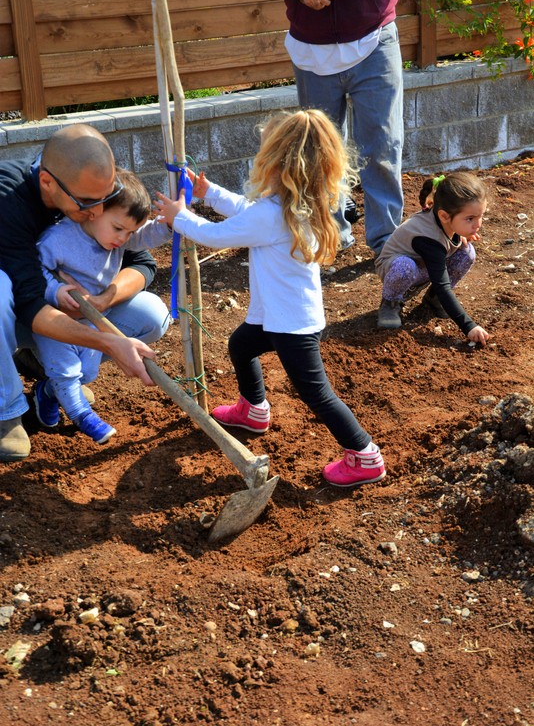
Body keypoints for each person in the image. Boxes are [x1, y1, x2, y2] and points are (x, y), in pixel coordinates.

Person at [155, 109, 386, 488]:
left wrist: (178, 217)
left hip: (291, 325)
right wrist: (209, 193)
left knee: (316, 393)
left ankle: (364, 456)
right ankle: (254, 411)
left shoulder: (273, 213)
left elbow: (218, 236)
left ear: (277, 161)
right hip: (278, 314)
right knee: (241, 345)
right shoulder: (298, 203)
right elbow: (249, 214)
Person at [241, 0, 427, 257]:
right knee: (318, 152)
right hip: (311, 47)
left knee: (383, 144)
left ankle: (386, 243)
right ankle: (331, 238)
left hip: (375, 37)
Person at [0, 124, 170, 461]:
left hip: (60, 310)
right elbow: (32, 302)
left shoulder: (90, 188)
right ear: (47, 182)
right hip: (18, 309)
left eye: (105, 200)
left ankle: (42, 368)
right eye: (88, 204)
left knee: (152, 314)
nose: (97, 212)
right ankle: (6, 409)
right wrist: (111, 342)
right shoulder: (9, 200)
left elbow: (143, 263)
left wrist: (105, 298)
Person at [32, 169, 172, 443]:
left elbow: (145, 236)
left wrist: (169, 225)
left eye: (128, 232)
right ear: (93, 211)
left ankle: (47, 392)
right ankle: (83, 416)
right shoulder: (58, 239)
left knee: (88, 372)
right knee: (67, 371)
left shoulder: (116, 236)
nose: (122, 239)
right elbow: (34, 271)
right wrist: (56, 290)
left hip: (95, 317)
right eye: (119, 229)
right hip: (55, 320)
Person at [375, 171, 490, 345]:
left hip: (424, 265)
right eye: (470, 218)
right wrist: (469, 326)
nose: (478, 224)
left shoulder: (446, 220)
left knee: (467, 252)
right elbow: (442, 285)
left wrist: (461, 233)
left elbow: (450, 239)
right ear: (445, 216)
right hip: (397, 268)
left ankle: (433, 300)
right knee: (404, 267)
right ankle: (391, 302)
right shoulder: (428, 239)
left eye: (481, 216)